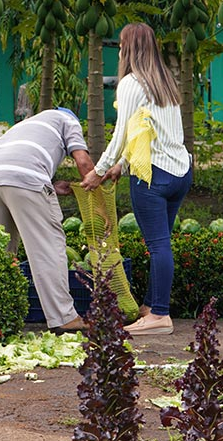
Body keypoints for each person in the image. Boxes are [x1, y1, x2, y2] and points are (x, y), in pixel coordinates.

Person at [81, 23, 192, 336]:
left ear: (127, 49)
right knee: (162, 244)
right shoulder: (165, 81)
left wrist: (99, 170)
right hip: (180, 172)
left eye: (120, 45)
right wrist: (123, 165)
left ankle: (159, 316)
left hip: (153, 177)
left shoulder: (131, 83)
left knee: (158, 246)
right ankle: (151, 305)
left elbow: (122, 134)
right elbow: (149, 130)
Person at [0, 107, 94, 333]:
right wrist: (98, 196)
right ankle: (64, 318)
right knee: (47, 247)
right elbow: (83, 162)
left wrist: (49, 184)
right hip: (24, 176)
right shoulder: (68, 120)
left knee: (3, 251)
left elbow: (21, 158)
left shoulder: (27, 124)